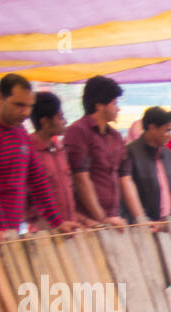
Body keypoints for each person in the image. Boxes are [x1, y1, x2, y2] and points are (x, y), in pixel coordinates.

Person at [0, 73, 76, 241]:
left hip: (10, 232)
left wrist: (57, 222)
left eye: (29, 106)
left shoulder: (20, 132)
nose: (26, 112)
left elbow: (37, 180)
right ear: (0, 98)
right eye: (19, 105)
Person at [64, 75, 129, 227]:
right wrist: (101, 219)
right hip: (88, 222)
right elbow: (80, 178)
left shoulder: (115, 136)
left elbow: (124, 177)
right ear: (100, 105)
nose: (117, 108)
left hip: (113, 218)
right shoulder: (78, 131)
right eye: (114, 103)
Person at [26, 91, 83, 231]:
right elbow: (23, 201)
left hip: (69, 230)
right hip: (44, 234)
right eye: (60, 117)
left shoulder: (60, 150)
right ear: (45, 122)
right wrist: (50, 225)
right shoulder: (28, 152)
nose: (65, 122)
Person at [121, 106, 171, 224]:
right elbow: (126, 194)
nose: (170, 135)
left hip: (169, 226)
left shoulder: (169, 155)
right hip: (142, 227)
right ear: (151, 128)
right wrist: (142, 220)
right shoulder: (130, 153)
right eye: (166, 130)